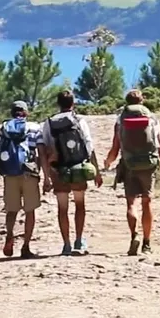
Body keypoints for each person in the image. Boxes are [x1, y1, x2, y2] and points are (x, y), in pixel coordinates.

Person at [104, 89, 160, 256]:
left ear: (126, 102)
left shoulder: (121, 120)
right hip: (148, 165)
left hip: (129, 165)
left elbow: (115, 147)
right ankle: (147, 243)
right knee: (147, 202)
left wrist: (107, 162)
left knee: (131, 203)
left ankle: (134, 235)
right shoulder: (152, 119)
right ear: (143, 101)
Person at [42, 90, 102, 255]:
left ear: (58, 104)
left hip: (58, 170)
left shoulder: (49, 123)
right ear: (73, 103)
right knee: (80, 205)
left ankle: (66, 244)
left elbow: (45, 148)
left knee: (62, 208)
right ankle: (79, 240)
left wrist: (47, 174)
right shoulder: (79, 120)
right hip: (78, 168)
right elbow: (89, 147)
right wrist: (97, 172)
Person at [0, 100, 47, 258]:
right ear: (26, 113)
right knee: (30, 211)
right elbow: (41, 153)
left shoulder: (4, 128)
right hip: (29, 174)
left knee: (12, 210)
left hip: (9, 174)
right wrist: (46, 176)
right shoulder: (34, 128)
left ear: (12, 112)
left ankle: (9, 235)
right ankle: (26, 246)